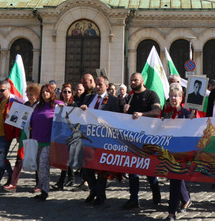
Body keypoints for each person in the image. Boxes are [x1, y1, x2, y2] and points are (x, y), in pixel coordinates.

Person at [120, 72, 162, 210]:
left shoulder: (151, 94)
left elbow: (157, 111)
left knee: (150, 169)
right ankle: (134, 198)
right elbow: (122, 118)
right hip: (133, 138)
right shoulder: (129, 97)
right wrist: (124, 111)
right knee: (133, 170)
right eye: (131, 80)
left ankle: (156, 194)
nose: (132, 82)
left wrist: (142, 115)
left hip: (148, 137)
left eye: (135, 80)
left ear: (142, 81)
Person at [79, 75, 122, 204]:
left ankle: (100, 195)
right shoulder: (88, 98)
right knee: (87, 167)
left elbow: (118, 120)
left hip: (104, 140)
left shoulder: (114, 101)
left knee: (102, 168)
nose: (97, 87)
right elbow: (77, 114)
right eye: (96, 84)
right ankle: (93, 190)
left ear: (107, 86)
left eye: (100, 85)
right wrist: (81, 110)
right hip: (88, 139)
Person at [160, 82, 194, 221]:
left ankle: (171, 213)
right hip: (169, 152)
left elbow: (193, 133)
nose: (174, 98)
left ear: (181, 98)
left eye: (176, 96)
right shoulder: (166, 112)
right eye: (171, 96)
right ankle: (186, 200)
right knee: (174, 179)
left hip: (182, 154)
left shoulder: (187, 114)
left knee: (174, 181)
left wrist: (193, 120)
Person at [29, 83, 59, 200]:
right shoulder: (38, 106)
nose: (45, 93)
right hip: (37, 140)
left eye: (47, 91)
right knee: (39, 167)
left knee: (43, 165)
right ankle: (42, 188)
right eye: (43, 92)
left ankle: (45, 191)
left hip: (49, 141)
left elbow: (68, 114)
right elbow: (32, 119)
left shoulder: (57, 105)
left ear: (52, 93)